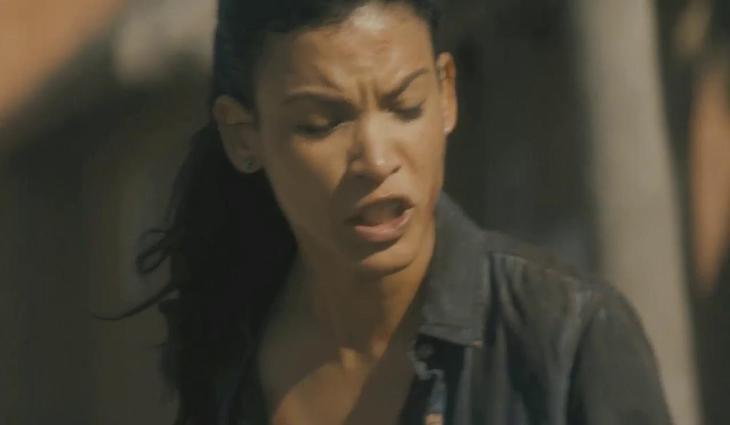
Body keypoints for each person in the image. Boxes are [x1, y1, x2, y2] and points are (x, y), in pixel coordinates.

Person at [136, 1, 673, 424]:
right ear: (243, 135)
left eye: (405, 106)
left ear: (446, 95)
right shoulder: (225, 356)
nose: (376, 160)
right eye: (321, 124)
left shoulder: (568, 339)